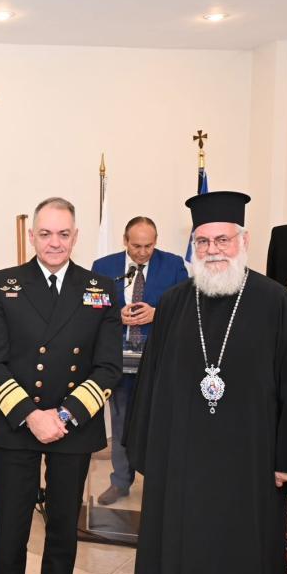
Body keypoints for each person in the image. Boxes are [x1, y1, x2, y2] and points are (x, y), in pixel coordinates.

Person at [124, 191, 287, 574]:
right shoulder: (174, 303)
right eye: (203, 241)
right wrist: (149, 450)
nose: (212, 250)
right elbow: (151, 385)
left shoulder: (276, 302)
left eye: (222, 240)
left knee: (245, 554)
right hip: (181, 461)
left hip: (252, 460)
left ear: (243, 241)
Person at [0, 197, 123, 574]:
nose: (54, 242)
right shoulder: (3, 283)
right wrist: (32, 415)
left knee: (62, 532)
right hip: (18, 422)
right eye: (45, 234)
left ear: (75, 236)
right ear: (32, 236)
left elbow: (108, 367)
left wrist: (63, 416)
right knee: (11, 532)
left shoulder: (101, 288)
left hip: (72, 425)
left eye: (63, 234)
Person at [91, 216, 188, 505]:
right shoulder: (103, 267)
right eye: (136, 246)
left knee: (157, 423)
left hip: (158, 360)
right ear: (125, 241)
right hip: (118, 360)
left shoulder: (173, 265)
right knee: (121, 422)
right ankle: (120, 482)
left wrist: (158, 313)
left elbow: (186, 305)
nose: (143, 252)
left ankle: (158, 483)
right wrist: (115, 315)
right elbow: (91, 308)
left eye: (149, 246)